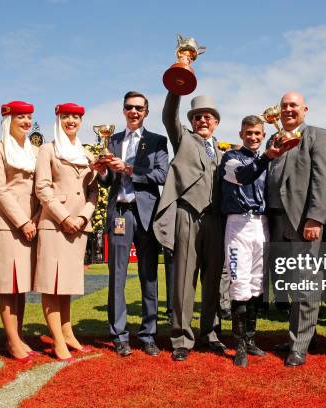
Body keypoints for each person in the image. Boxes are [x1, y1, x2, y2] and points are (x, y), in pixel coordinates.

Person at [94, 91, 168, 357]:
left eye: (139, 107)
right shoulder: (111, 140)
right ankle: (119, 335)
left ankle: (148, 335)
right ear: (123, 110)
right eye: (129, 107)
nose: (134, 111)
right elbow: (105, 183)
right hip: (120, 213)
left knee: (149, 275)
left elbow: (161, 175)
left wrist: (127, 169)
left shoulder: (158, 141)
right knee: (117, 276)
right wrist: (102, 170)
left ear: (146, 111)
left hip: (147, 214)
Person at [153, 92, 225, 361]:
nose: (202, 120)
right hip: (187, 214)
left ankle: (211, 334)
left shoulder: (223, 151)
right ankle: (182, 338)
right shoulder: (183, 138)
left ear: (216, 122)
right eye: (197, 116)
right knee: (184, 279)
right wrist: (177, 85)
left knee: (213, 280)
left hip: (216, 219)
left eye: (208, 116)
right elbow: (168, 115)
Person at [265, 92, 326, 367]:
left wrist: (316, 218)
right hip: (276, 223)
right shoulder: (275, 139)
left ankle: (299, 346)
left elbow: (323, 179)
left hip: (303, 222)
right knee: (293, 286)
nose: (288, 109)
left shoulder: (318, 136)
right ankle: (306, 337)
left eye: (293, 105)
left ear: (305, 109)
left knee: (307, 284)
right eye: (284, 106)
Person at [220, 115, 288, 367]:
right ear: (241, 134)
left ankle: (250, 339)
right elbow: (243, 175)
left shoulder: (267, 160)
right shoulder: (230, 157)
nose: (253, 137)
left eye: (258, 133)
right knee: (239, 282)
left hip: (262, 224)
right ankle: (237, 345)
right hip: (238, 224)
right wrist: (266, 157)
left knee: (257, 284)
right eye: (249, 133)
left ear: (263, 134)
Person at [34, 103, 98, 361]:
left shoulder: (87, 154)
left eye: (75, 117)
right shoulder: (47, 149)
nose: (71, 121)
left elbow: (93, 191)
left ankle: (68, 333)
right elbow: (42, 188)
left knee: (67, 284)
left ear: (81, 121)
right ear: (58, 119)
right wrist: (64, 217)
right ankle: (57, 340)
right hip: (54, 225)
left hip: (79, 227)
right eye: (66, 116)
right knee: (52, 284)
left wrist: (83, 216)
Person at [0, 101, 41, 362]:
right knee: (8, 285)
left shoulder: (34, 151)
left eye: (29, 117)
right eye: (21, 117)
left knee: (22, 285)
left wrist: (37, 219)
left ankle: (17, 335)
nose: (27, 122)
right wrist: (23, 222)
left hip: (30, 223)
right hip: (8, 225)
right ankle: (12, 340)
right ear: (9, 119)